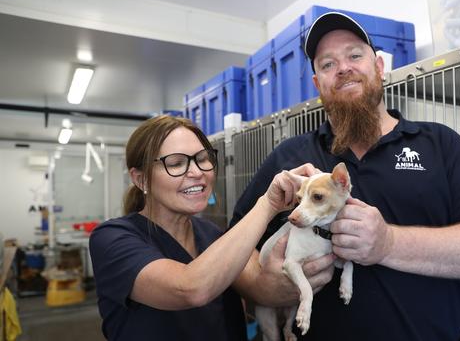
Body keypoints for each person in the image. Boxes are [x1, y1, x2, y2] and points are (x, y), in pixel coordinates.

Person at [229, 12, 460, 341]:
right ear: (317, 85)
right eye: (327, 64)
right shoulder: (290, 159)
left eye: (354, 55)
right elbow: (232, 250)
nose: (343, 68)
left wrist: (389, 243)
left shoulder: (440, 145)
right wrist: (262, 288)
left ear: (379, 66)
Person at [89, 115, 332, 340]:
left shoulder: (214, 235)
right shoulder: (111, 240)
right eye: (176, 163)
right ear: (141, 179)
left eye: (203, 159)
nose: (197, 172)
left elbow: (263, 286)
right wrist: (268, 204)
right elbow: (190, 288)